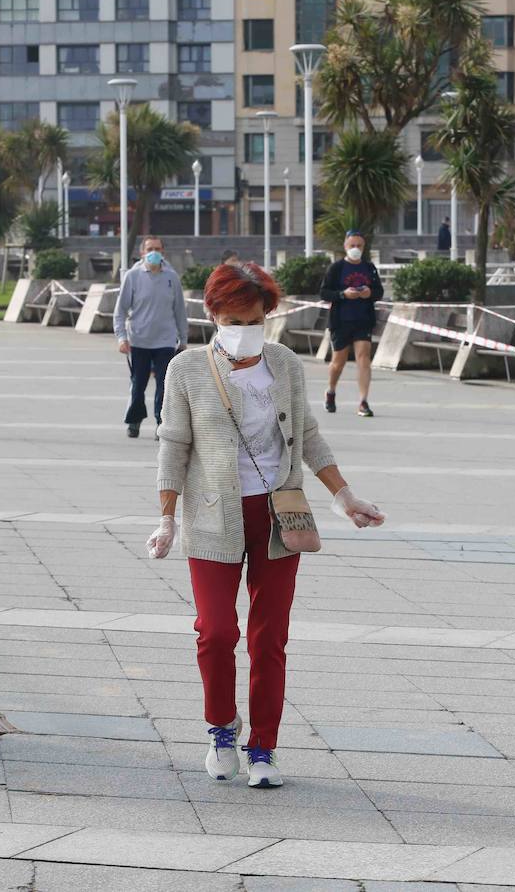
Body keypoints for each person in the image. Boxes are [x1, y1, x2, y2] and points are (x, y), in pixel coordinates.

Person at [149, 262, 386, 788]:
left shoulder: (283, 363)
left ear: (268, 315)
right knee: (215, 632)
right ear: (212, 314)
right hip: (212, 515)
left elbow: (306, 434)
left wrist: (344, 494)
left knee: (268, 637)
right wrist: (166, 517)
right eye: (232, 318)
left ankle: (263, 747)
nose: (243, 328)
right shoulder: (186, 369)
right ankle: (221, 729)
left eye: (253, 319)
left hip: (279, 515)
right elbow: (174, 444)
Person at [116, 236, 188, 439]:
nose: (154, 252)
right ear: (142, 252)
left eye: (157, 248)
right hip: (139, 340)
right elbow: (120, 311)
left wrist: (183, 339)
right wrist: (122, 337)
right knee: (138, 384)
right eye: (150, 248)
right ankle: (134, 420)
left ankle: (161, 423)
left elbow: (179, 310)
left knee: (164, 385)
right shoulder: (133, 276)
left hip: (165, 341)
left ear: (163, 252)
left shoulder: (171, 277)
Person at [319, 231, 384, 418]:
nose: (356, 249)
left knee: (364, 358)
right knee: (338, 362)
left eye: (359, 246)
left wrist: (369, 293)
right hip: (341, 320)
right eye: (352, 245)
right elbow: (324, 292)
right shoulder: (337, 268)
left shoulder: (369, 267)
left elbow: (378, 291)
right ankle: (331, 391)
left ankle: (363, 401)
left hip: (363, 319)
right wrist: (342, 294)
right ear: (345, 246)